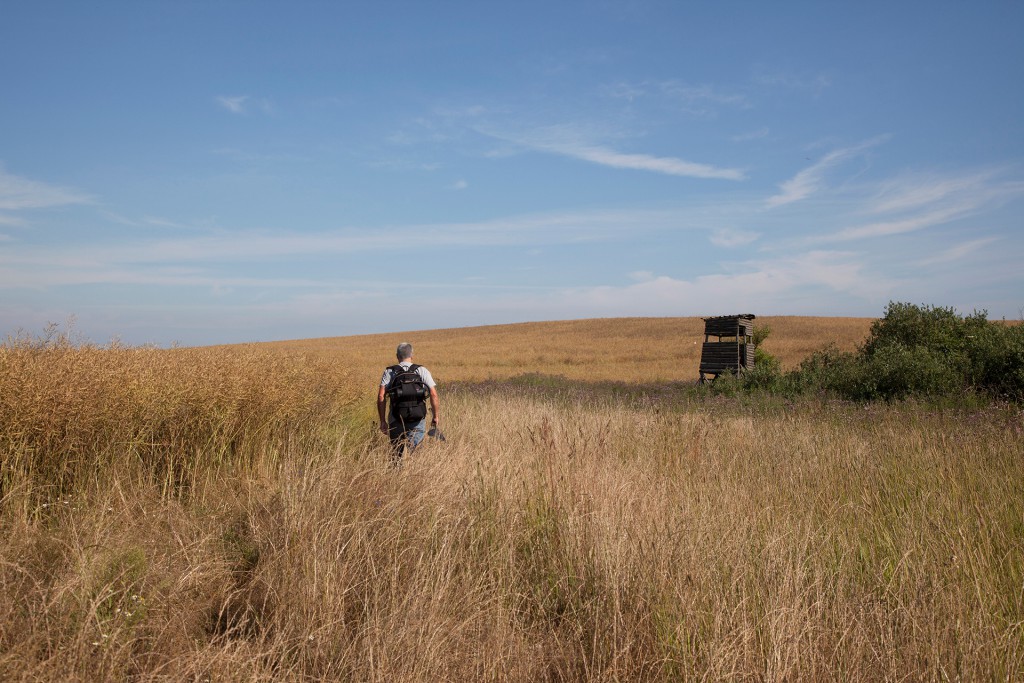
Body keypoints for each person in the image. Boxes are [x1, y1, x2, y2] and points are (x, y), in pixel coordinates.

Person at [377, 342, 439, 465]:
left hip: (396, 418)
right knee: (417, 455)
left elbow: (381, 396)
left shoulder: (390, 372)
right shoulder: (422, 370)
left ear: (397, 356)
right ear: (412, 355)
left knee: (396, 456)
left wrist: (383, 421)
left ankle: (395, 479)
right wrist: (436, 416)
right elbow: (433, 394)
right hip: (417, 418)